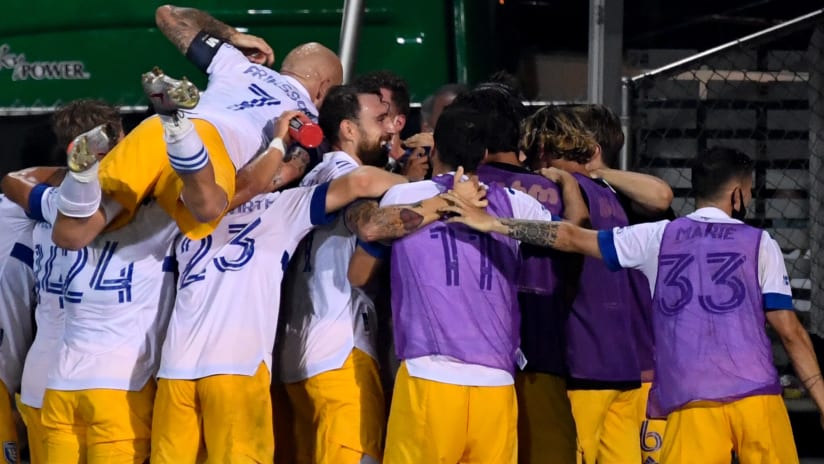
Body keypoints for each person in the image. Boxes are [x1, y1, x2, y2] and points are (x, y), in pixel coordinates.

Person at [441, 146, 824, 464]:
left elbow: (573, 237)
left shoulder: (658, 236)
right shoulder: (761, 243)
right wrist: (821, 399)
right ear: (738, 194)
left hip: (690, 400)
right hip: (756, 397)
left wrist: (492, 223)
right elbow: (789, 332)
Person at [149, 104, 414, 463]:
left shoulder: (179, 210)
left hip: (175, 369)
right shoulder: (276, 208)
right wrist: (424, 186)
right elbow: (361, 182)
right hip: (237, 368)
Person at [51, 4, 343, 250]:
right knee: (208, 208)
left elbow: (167, 15)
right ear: (324, 88)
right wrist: (279, 143)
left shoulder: (238, 64)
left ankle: (84, 174)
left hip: (153, 131)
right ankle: (178, 127)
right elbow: (262, 182)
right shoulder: (307, 122)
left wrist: (231, 36)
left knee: (72, 235)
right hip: (211, 146)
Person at [373, 104, 558, 464]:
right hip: (497, 382)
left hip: (431, 374)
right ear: (485, 154)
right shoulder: (517, 204)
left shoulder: (404, 197)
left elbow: (372, 229)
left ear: (433, 149)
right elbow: (562, 232)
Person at [3, 100, 175, 463]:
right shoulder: (154, 212)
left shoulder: (43, 210)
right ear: (123, 138)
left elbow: (14, 180)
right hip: (118, 377)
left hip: (46, 377)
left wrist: (69, 178)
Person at [517, 104, 673, 464]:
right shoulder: (613, 197)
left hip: (580, 359)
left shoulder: (556, 190)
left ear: (543, 147)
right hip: (622, 366)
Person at [454, 84, 586, 464]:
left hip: (470, 348)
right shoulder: (552, 189)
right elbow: (576, 238)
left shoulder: (458, 188)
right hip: (541, 338)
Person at [277, 84, 395, 464]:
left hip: (299, 356)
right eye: (378, 120)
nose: (390, 129)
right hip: (341, 353)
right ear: (348, 129)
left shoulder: (313, 175)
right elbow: (368, 226)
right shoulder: (351, 179)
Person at [0, 99, 123, 464]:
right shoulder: (130, 202)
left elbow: (15, 181)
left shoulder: (31, 201)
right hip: (106, 372)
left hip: (42, 376)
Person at [571, 103, 669, 463]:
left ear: (591, 150)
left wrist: (599, 171)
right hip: (605, 363)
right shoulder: (571, 191)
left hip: (639, 366)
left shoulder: (623, 196)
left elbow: (661, 196)